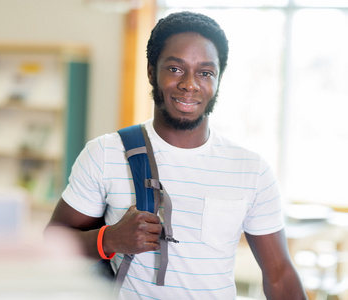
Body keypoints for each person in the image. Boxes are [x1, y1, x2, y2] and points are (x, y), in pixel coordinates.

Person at [46, 11, 307, 300]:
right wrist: (108, 239)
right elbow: (52, 243)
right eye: (175, 69)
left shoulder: (251, 169)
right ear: (150, 71)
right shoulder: (105, 153)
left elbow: (279, 274)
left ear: (218, 79)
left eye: (205, 72)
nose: (190, 84)